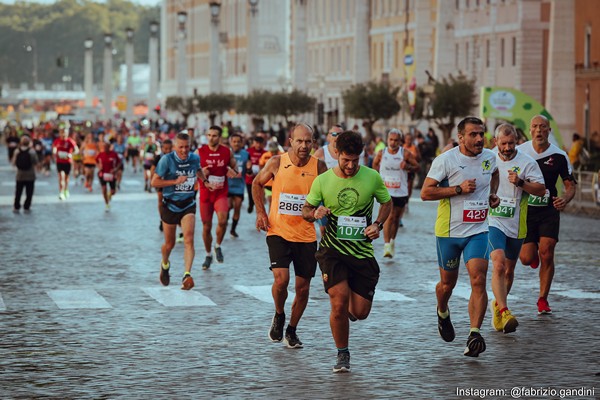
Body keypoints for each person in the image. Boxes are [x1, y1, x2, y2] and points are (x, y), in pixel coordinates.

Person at [302, 130, 392, 373]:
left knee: (360, 313)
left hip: (361, 253)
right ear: (336, 154)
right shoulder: (323, 181)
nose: (351, 165)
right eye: (345, 160)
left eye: (355, 160)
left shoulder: (372, 177)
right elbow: (306, 210)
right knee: (338, 303)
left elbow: (387, 203)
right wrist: (315, 213)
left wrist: (378, 225)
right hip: (332, 251)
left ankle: (350, 314)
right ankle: (342, 353)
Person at [421, 116, 500, 358]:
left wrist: (492, 194)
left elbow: (494, 174)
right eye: (473, 134)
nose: (479, 138)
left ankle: (474, 333)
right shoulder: (446, 160)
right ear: (461, 137)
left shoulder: (489, 157)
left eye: (482, 133)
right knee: (447, 285)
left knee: (479, 278)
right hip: (449, 233)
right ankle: (442, 310)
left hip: (477, 230)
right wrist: (458, 189)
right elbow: (425, 192)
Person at [253, 123, 328, 349]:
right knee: (281, 280)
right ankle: (279, 313)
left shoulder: (320, 167)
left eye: (308, 141)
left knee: (303, 288)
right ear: (291, 141)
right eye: (299, 141)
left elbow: (329, 196)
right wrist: (260, 212)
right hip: (278, 231)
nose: (304, 145)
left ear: (313, 143)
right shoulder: (277, 162)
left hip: (306, 236)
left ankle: (292, 330)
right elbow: (257, 183)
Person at [487, 124, 545, 334]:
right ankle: (504, 310)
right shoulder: (488, 158)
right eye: (504, 143)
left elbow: (541, 189)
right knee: (499, 265)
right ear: (496, 142)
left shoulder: (526, 162)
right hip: (493, 221)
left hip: (516, 223)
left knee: (509, 270)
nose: (508, 147)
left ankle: (497, 305)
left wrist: (521, 182)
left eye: (511, 143)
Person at [518, 115, 577, 314]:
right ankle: (532, 253)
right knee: (526, 258)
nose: (539, 130)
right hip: (526, 210)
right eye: (535, 126)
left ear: (549, 130)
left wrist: (565, 199)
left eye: (543, 127)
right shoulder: (520, 152)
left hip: (549, 209)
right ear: (530, 130)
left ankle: (543, 298)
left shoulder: (559, 156)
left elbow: (570, 185)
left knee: (548, 252)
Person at [151, 132, 213, 290]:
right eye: (181, 147)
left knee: (189, 239)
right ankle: (165, 264)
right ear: (174, 147)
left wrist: (204, 181)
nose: (184, 150)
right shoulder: (167, 160)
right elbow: (154, 181)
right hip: (170, 204)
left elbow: (197, 170)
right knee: (169, 244)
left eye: (187, 147)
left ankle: (187, 274)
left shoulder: (194, 158)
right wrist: (174, 181)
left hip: (188, 203)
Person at [372, 128, 419, 258]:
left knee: (397, 218)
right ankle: (386, 245)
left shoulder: (405, 154)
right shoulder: (382, 153)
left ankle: (392, 241)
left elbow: (417, 167)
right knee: (390, 216)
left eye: (396, 140)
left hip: (401, 191)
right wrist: (378, 178)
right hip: (386, 191)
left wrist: (408, 167)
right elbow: (374, 165)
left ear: (400, 141)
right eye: (391, 140)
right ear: (387, 140)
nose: (393, 143)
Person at [197, 126, 238, 270]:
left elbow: (234, 167)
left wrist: (233, 171)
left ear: (219, 137)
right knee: (206, 227)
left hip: (220, 192)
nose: (211, 138)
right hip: (206, 194)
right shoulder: (200, 152)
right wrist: (202, 173)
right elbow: (193, 171)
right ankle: (208, 254)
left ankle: (218, 246)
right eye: (208, 135)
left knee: (222, 220)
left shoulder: (226, 151)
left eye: (214, 135)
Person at [227, 133, 249, 238]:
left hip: (239, 186)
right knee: (228, 206)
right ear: (230, 142)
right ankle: (225, 218)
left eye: (238, 142)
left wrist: (249, 169)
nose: (236, 144)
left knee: (237, 207)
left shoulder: (245, 154)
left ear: (242, 143)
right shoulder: (226, 153)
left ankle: (233, 230)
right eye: (234, 141)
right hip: (227, 185)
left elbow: (249, 170)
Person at [12, 136, 39, 213]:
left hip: (20, 175)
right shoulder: (32, 152)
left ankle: (16, 205)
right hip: (30, 175)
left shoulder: (17, 151)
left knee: (18, 191)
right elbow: (36, 162)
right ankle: (27, 205)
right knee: (29, 192)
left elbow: (13, 162)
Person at [151, 139, 173, 231]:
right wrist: (153, 180)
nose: (167, 151)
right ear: (162, 148)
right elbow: (152, 169)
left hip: (172, 183)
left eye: (169, 149)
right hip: (161, 183)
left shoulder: (175, 157)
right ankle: (162, 219)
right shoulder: (158, 157)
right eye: (166, 149)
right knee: (160, 202)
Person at [53, 126, 78, 200]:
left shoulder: (70, 141)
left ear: (67, 133)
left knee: (66, 178)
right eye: (62, 132)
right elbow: (54, 148)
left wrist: (71, 154)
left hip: (67, 162)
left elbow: (76, 150)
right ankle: (61, 192)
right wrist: (55, 153)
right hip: (59, 161)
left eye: (65, 133)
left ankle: (66, 189)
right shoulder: (57, 141)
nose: (63, 134)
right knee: (61, 177)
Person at [96, 141, 122, 211]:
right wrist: (99, 167)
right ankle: (107, 204)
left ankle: (109, 195)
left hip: (111, 174)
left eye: (106, 147)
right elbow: (96, 161)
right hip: (103, 174)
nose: (104, 148)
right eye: (103, 147)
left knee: (113, 192)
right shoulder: (101, 154)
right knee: (104, 189)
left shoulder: (114, 154)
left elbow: (119, 163)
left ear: (109, 147)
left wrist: (115, 169)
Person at [245, 135, 266, 213]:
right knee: (250, 194)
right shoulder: (248, 151)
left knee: (259, 194)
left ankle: (259, 209)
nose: (258, 145)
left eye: (260, 143)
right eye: (256, 143)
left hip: (261, 178)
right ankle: (251, 204)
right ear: (253, 143)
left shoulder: (265, 153)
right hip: (249, 177)